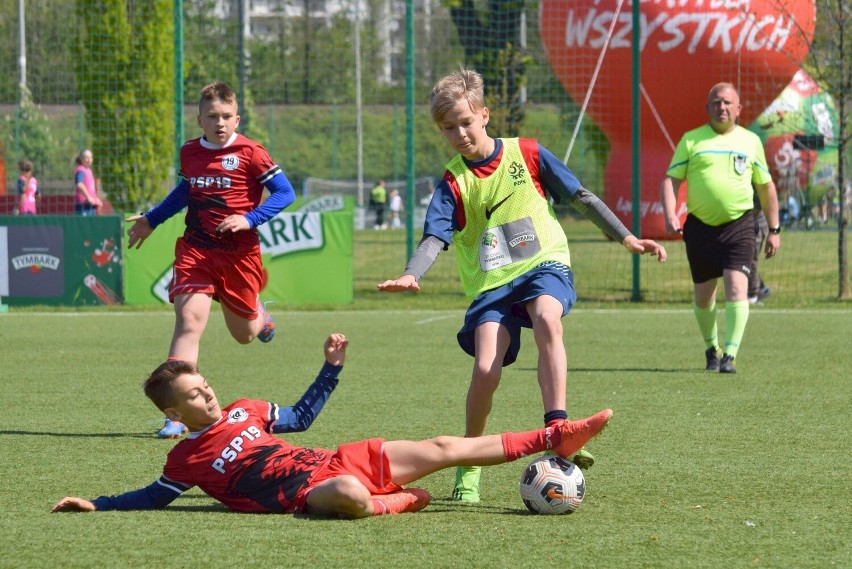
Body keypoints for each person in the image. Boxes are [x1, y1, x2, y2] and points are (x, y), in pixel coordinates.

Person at [377, 69, 666, 503]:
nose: (459, 133)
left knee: (548, 317)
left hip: (543, 263)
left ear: (485, 115)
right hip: (492, 284)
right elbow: (435, 237)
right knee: (485, 368)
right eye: (448, 128)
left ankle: (558, 429)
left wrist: (625, 235)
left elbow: (580, 196)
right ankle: (469, 462)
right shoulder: (453, 182)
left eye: (465, 123)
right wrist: (412, 274)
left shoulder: (527, 153)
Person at [51, 333, 612, 518]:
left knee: (443, 445)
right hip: (310, 492)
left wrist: (330, 369)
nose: (208, 392)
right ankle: (400, 501)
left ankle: (552, 438)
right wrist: (100, 504)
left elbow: (299, 417)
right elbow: (152, 497)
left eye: (205, 382)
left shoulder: (246, 408)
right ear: (175, 414)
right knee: (349, 494)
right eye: (195, 395)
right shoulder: (184, 460)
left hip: (334, 459)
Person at [125, 81, 296, 438]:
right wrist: (152, 218)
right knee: (188, 321)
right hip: (197, 249)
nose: (220, 123)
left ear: (237, 119)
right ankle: (177, 414)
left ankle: (260, 317)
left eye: (227, 116)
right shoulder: (189, 152)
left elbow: (286, 192)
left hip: (239, 256)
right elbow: (186, 191)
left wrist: (249, 219)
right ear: (199, 119)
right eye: (212, 116)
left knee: (244, 335)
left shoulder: (252, 152)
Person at [661, 82, 781, 374]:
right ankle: (711, 348)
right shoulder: (691, 141)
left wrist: (775, 230)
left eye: (728, 102)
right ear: (707, 108)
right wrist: (670, 214)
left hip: (740, 225)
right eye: (716, 102)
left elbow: (765, 187)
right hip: (700, 228)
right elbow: (671, 179)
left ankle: (730, 354)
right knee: (704, 296)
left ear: (738, 109)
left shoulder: (750, 141)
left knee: (737, 288)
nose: (722, 107)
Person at [747, 190, 771, 305]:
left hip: (755, 224)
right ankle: (762, 288)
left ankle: (753, 295)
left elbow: (759, 201)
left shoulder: (753, 175)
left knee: (750, 260)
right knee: (743, 261)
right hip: (742, 222)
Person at [74, 149, 102, 216]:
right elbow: (79, 184)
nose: (89, 160)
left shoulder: (89, 171)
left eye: (90, 157)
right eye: (86, 157)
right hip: (83, 205)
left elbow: (91, 189)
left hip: (91, 205)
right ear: (81, 158)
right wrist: (88, 197)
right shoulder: (80, 170)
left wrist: (96, 200)